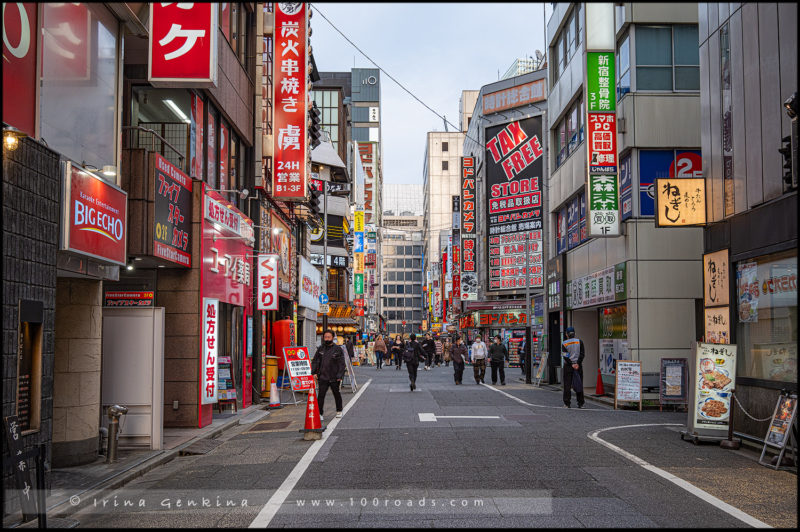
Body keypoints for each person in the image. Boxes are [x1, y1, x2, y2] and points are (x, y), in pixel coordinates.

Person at [311, 329, 346, 420]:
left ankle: (339, 410)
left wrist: (340, 375)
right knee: (321, 396)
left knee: (336, 394)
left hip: (334, 377)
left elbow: (342, 364)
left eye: (328, 337)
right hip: (322, 376)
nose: (327, 339)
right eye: (325, 337)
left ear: (333, 338)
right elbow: (315, 361)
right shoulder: (320, 348)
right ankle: (319, 413)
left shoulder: (338, 349)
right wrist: (314, 372)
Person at [561, 326, 585, 408]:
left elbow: (565, 356)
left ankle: (567, 403)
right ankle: (580, 403)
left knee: (567, 385)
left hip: (568, 366)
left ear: (567, 334)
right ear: (575, 333)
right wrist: (577, 363)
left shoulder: (564, 343)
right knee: (579, 383)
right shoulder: (580, 342)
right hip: (578, 366)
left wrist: (571, 364)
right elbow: (582, 354)